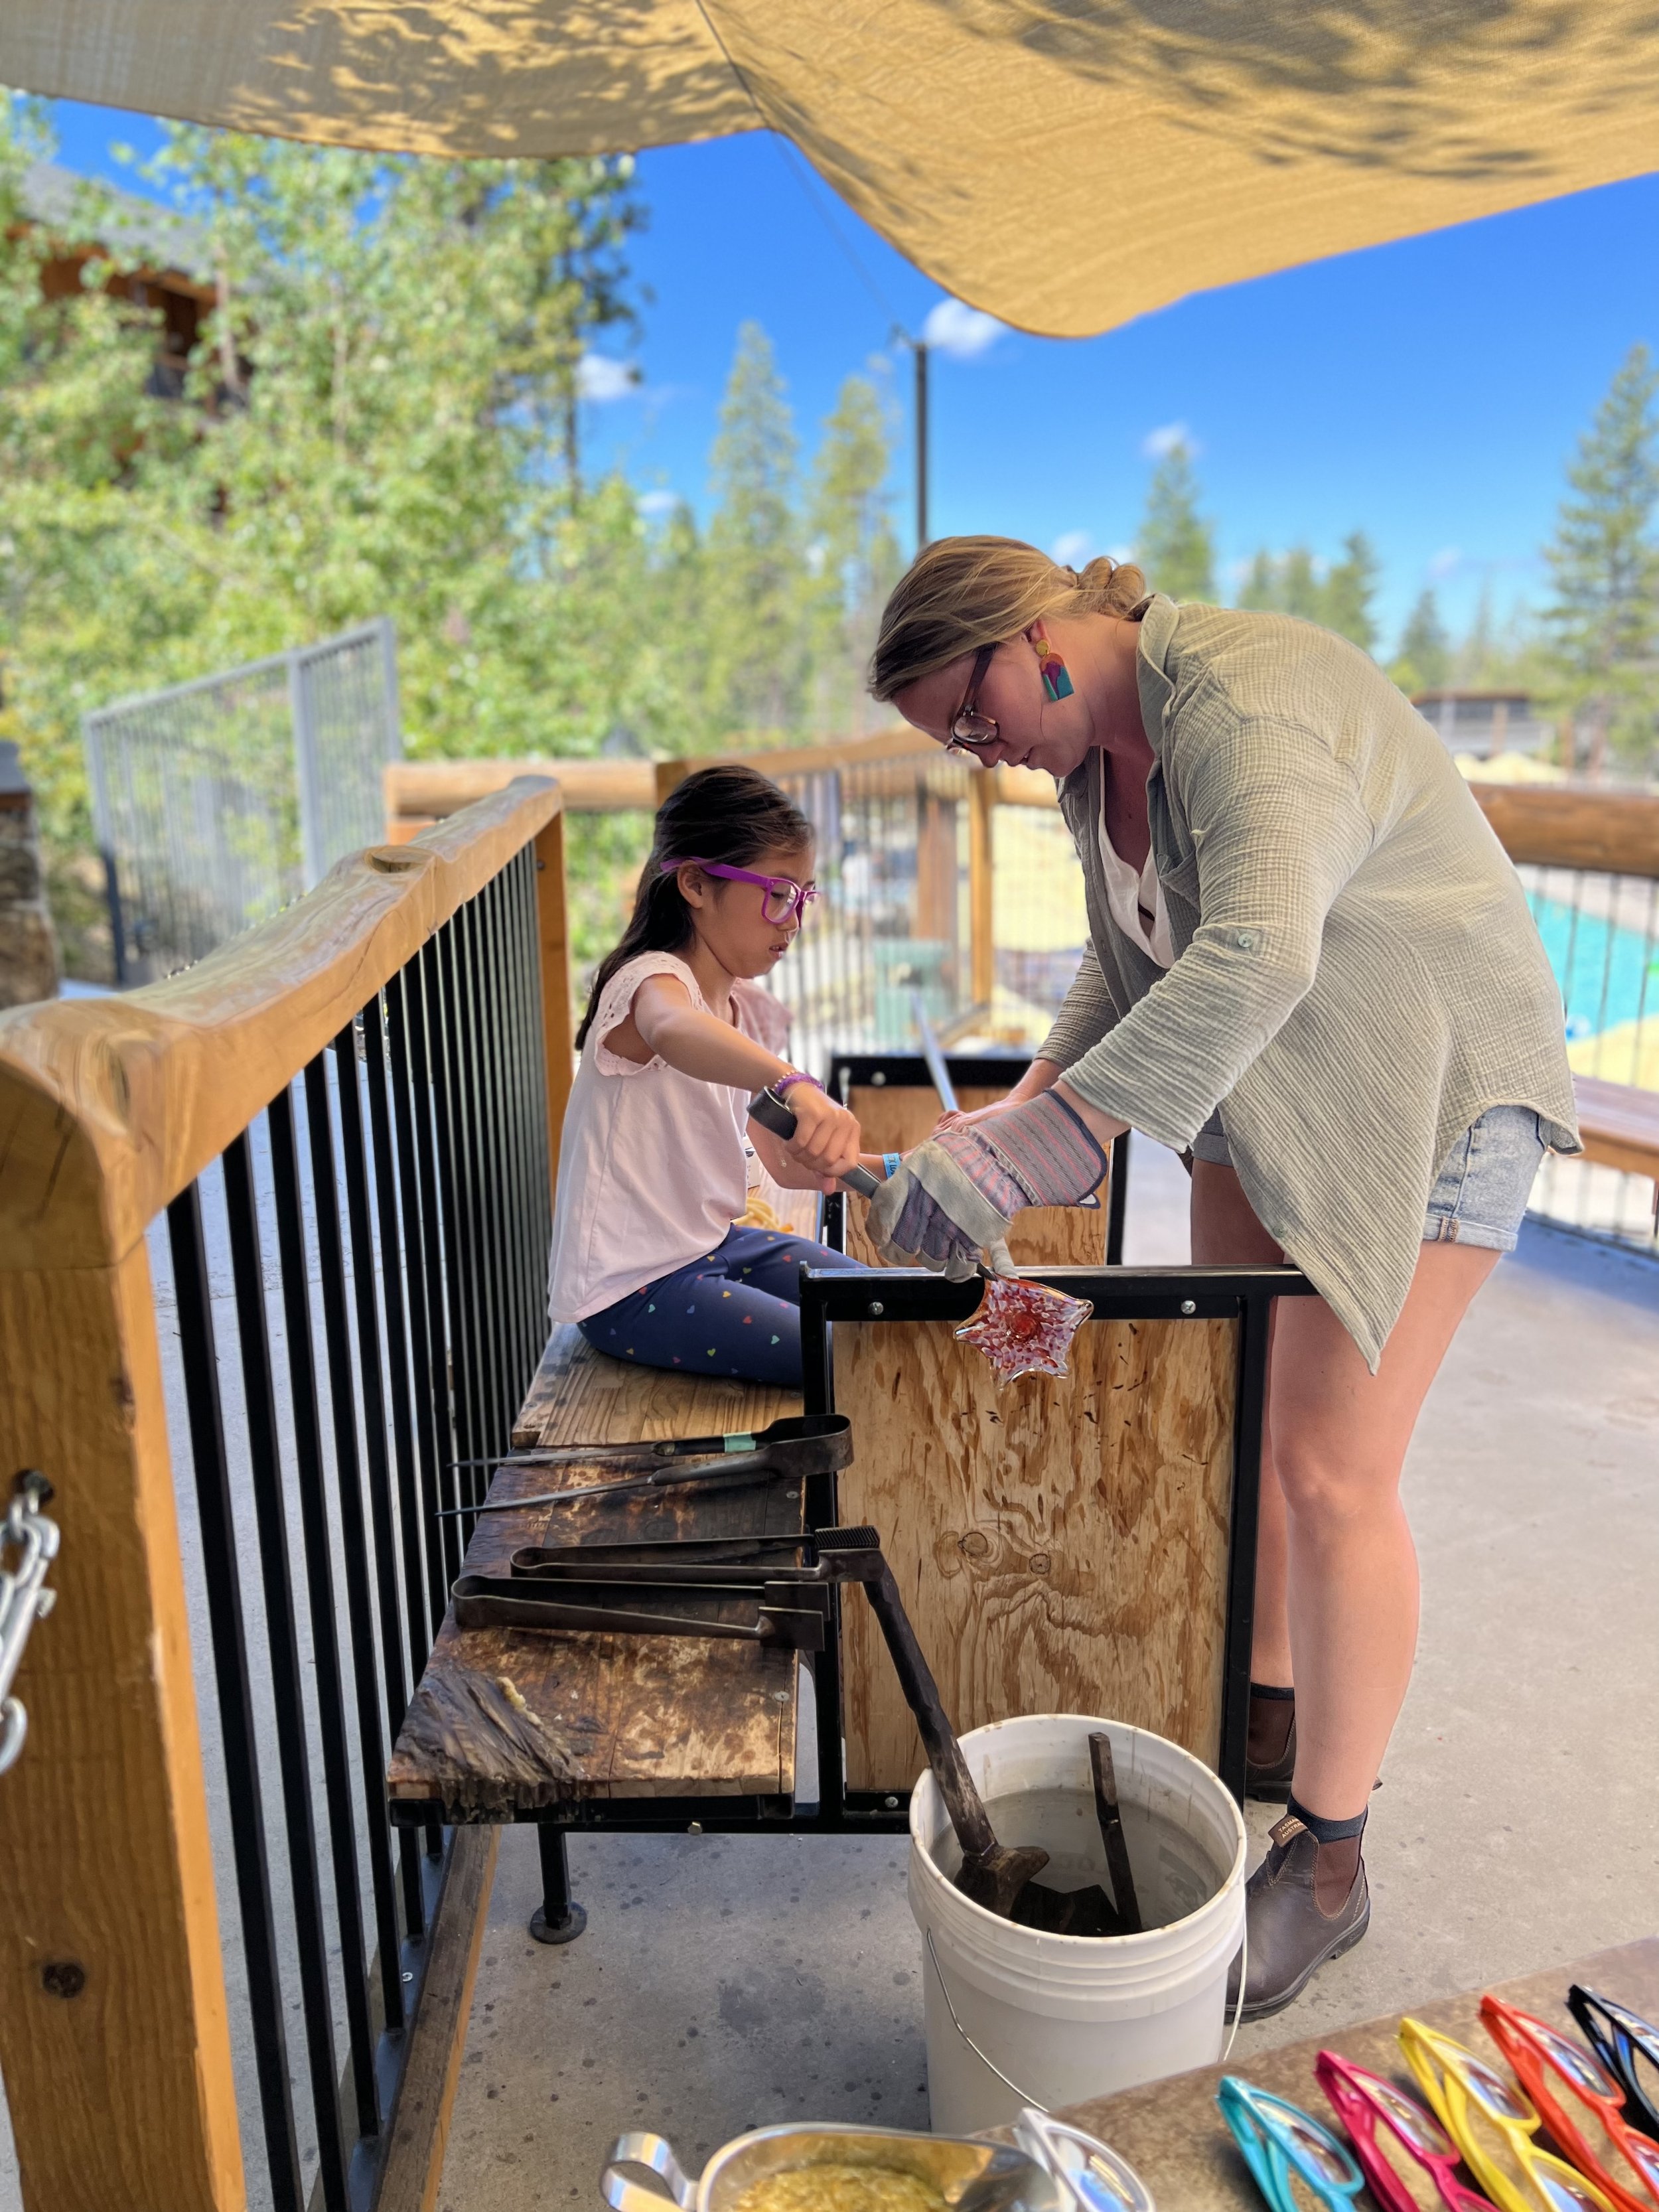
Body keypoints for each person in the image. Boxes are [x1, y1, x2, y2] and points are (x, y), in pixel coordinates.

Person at [866, 537, 1579, 2018]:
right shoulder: (1092, 766)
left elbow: (1253, 950)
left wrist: (1045, 1139)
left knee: (1328, 1472)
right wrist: (1015, 1111)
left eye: (979, 714)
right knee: (1243, 1423)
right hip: (1268, 1096)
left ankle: (1328, 1853)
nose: (985, 755)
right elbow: (1118, 958)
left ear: (1039, 630)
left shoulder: (1243, 701)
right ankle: (1263, 1720)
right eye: (956, 743)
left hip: (1420, 1087)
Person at [547, 764, 871, 1389]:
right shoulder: (650, 983)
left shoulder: (740, 1007)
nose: (793, 919)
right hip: (631, 1289)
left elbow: (780, 1160)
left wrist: (881, 1171)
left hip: (712, 1248)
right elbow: (674, 1029)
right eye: (778, 892)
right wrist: (795, 1082)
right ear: (696, 883)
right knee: (849, 1360)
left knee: (879, 1306)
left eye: (804, 895)